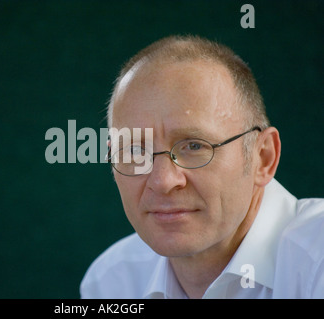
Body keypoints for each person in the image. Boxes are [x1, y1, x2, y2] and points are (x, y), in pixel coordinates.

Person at [80, 35, 324, 299]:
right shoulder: (111, 282)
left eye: (194, 146)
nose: (162, 181)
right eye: (135, 151)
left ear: (263, 158)